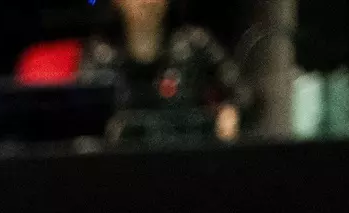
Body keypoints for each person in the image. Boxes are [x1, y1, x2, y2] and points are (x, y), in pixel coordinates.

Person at [80, 0, 242, 143]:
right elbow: (82, 117)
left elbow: (244, 93)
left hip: (189, 155)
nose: (147, 2)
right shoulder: (101, 55)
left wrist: (230, 111)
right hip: (122, 163)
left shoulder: (196, 45)